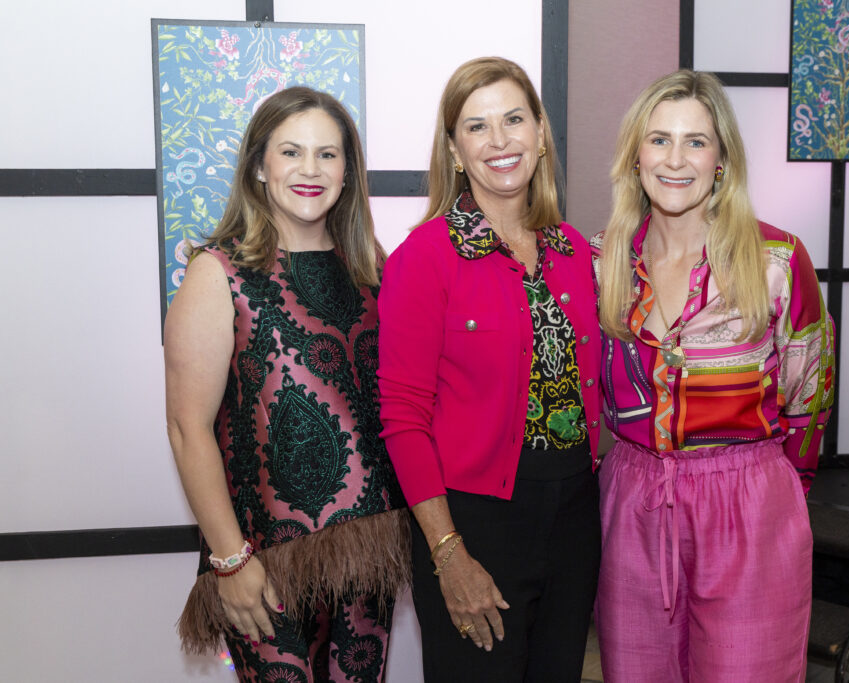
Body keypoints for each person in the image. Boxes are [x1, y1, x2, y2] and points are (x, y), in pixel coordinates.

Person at [592, 69, 835, 682]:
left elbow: (810, 401)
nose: (676, 159)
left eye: (696, 142)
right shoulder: (599, 264)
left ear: (722, 160)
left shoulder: (777, 261)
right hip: (630, 501)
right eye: (659, 140)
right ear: (635, 156)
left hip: (747, 501)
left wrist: (771, 494)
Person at [165, 86, 409, 683]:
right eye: (292, 152)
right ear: (258, 165)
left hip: (367, 552)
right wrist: (229, 561)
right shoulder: (216, 272)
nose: (310, 169)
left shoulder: (375, 271)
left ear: (348, 172)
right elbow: (186, 427)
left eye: (328, 154)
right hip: (261, 557)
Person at [377, 57, 602, 683]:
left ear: (540, 134)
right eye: (477, 127)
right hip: (475, 524)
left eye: (513, 120)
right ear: (455, 150)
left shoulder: (575, 250)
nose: (500, 141)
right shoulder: (424, 258)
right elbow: (401, 418)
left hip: (575, 517)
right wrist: (449, 555)